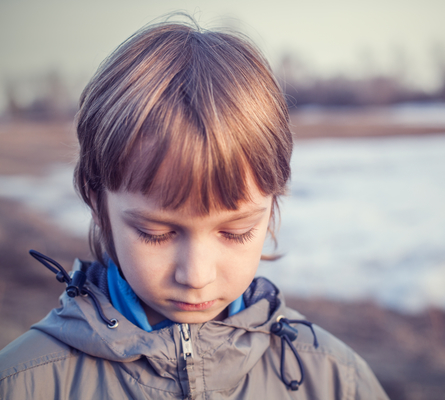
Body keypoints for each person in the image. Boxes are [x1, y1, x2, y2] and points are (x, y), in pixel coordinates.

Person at [0, 15, 389, 400]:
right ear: (96, 199)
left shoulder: (335, 380)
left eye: (235, 231)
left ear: (272, 206)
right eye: (157, 233)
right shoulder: (24, 383)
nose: (197, 276)